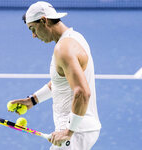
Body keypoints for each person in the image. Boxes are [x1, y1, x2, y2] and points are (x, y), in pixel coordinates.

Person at [9, 1, 101, 150]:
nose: (33, 35)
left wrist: (68, 131)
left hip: (74, 133)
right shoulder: (76, 37)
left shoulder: (63, 49)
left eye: (33, 29)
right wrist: (33, 100)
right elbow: (62, 82)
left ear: (44, 20)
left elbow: (82, 92)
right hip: (81, 129)